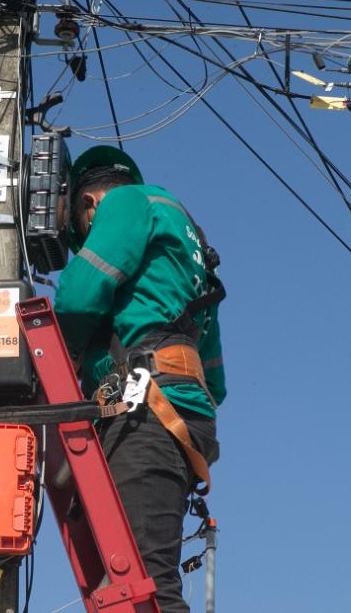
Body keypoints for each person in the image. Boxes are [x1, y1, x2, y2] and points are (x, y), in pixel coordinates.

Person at [53, 145, 225, 613]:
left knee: (144, 586)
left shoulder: (127, 203)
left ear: (90, 205)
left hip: (147, 411)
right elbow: (217, 380)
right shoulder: (192, 249)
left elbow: (76, 299)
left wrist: (57, 353)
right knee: (139, 579)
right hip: (178, 412)